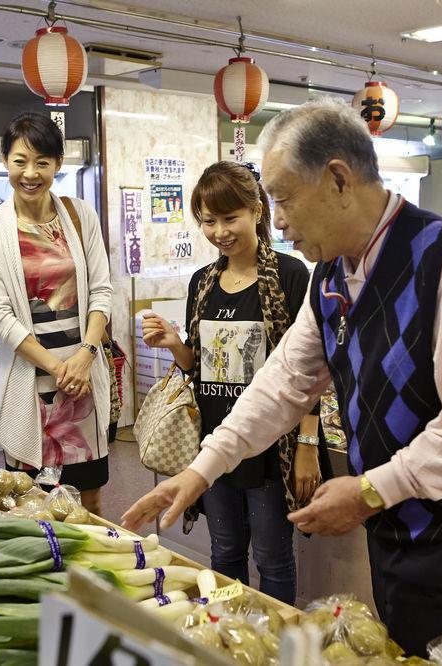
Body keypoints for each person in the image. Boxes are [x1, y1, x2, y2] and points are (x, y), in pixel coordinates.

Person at [123, 98, 442, 662]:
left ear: (338, 178)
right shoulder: (333, 273)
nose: (279, 219)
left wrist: (369, 490)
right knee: (394, 646)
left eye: (285, 199)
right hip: (394, 520)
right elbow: (283, 382)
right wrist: (200, 471)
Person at [140, 161, 329, 605]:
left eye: (230, 218)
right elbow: (199, 366)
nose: (220, 231)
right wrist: (173, 343)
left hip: (270, 446)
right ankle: (229, 635)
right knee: (223, 550)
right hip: (215, 439)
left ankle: (275, 637)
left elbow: (309, 369)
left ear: (257, 210)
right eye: (208, 221)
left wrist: (307, 444)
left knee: (272, 556)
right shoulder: (202, 283)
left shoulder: (289, 276)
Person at [0, 111, 112, 515]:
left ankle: (89, 577)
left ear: (57, 165)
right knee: (34, 506)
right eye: (20, 161)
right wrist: (58, 367)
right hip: (31, 388)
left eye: (42, 162)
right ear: (5, 162)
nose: (30, 173)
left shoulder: (80, 216)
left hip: (83, 383)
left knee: (90, 503)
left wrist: (84, 357)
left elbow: (102, 290)